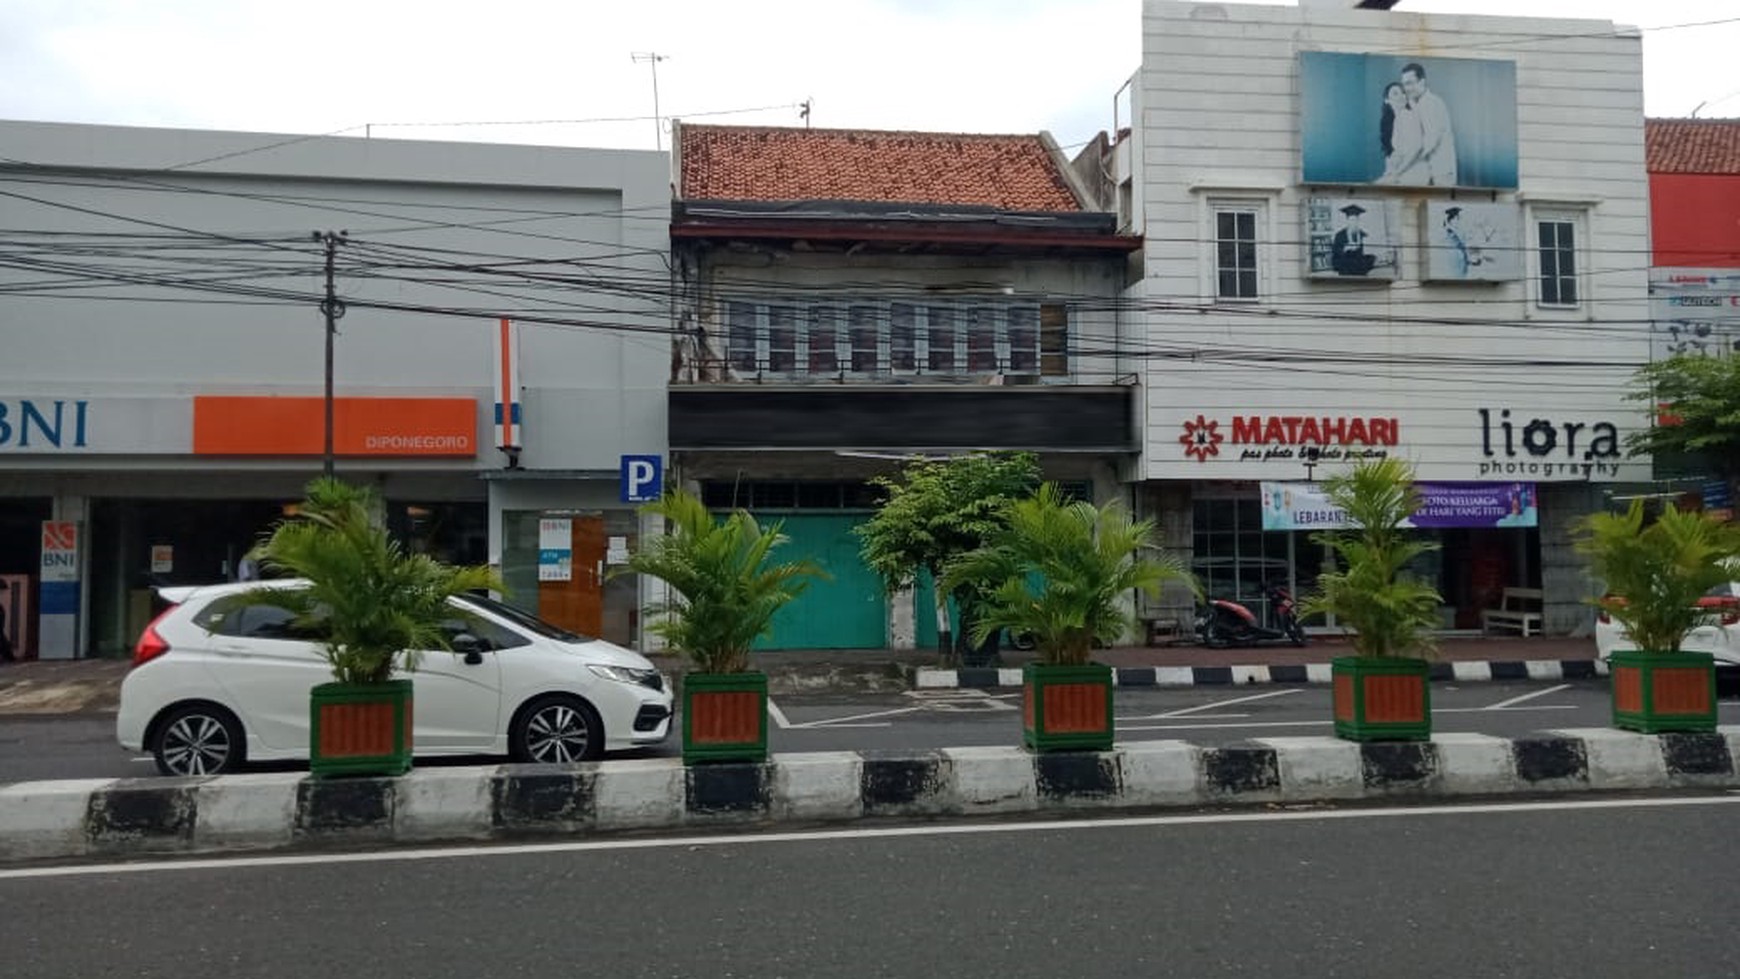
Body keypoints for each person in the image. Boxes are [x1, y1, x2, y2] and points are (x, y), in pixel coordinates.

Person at [1401, 62, 1457, 187]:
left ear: (1422, 82)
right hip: (1428, 172)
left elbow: (1429, 142)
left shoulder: (1432, 103)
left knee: (1440, 206)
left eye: (1410, 83)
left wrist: (1406, 164)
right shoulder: (1417, 104)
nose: (1406, 88)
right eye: (1404, 84)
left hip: (1442, 172)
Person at [1376, 82, 1423, 184]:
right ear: (1387, 100)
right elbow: (1391, 153)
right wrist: (1389, 172)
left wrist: (1397, 173)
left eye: (1403, 93)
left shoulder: (1410, 116)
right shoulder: (1392, 121)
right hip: (1400, 173)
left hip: (1414, 171)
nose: (1402, 96)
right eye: (1395, 93)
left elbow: (1417, 148)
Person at [1330, 203, 1379, 276]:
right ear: (1347, 221)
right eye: (1351, 220)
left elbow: (1369, 255)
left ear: (1358, 221)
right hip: (1346, 269)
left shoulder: (1364, 235)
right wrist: (1345, 249)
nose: (1353, 223)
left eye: (1356, 220)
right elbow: (1335, 255)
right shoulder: (1340, 236)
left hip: (1360, 270)